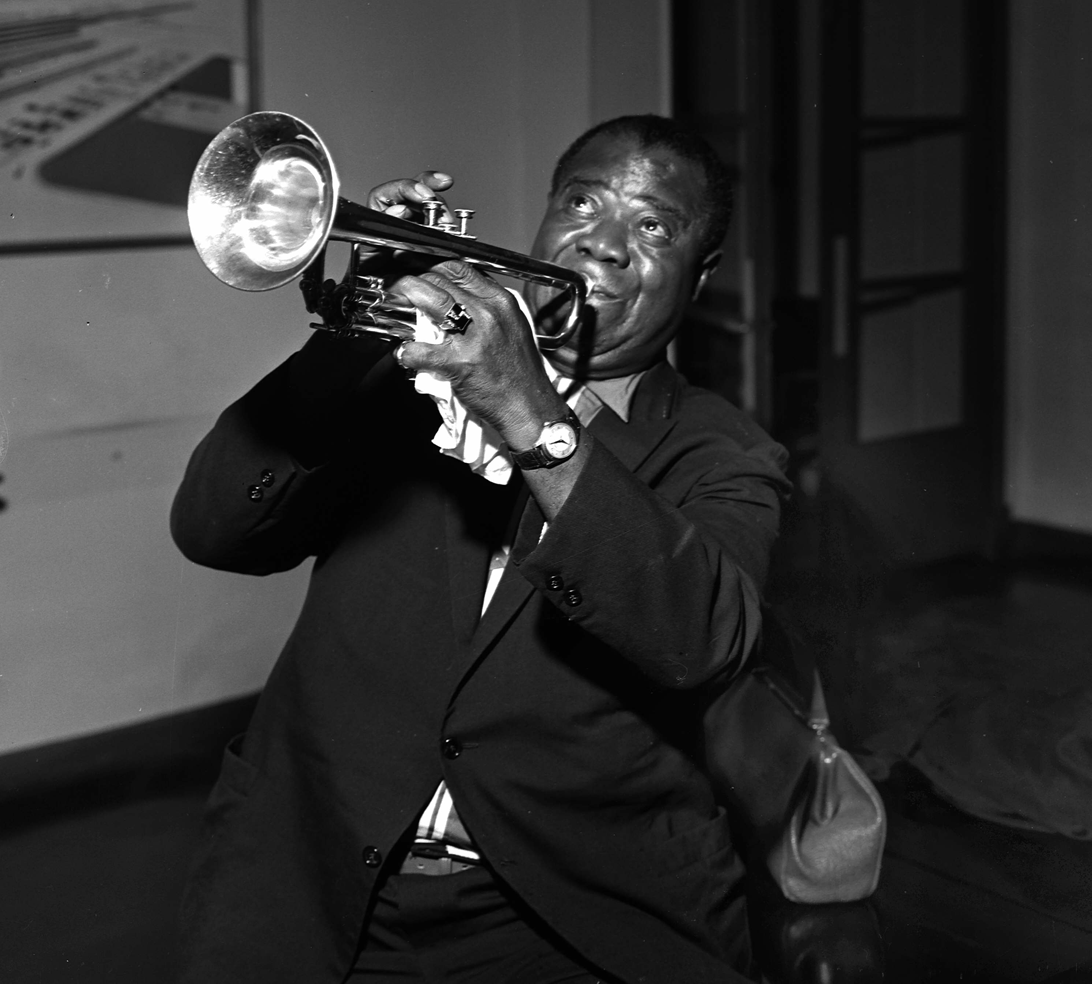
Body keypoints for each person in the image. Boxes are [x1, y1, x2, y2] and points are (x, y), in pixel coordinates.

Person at [170, 114, 790, 983]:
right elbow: (214, 529)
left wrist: (532, 414)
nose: (603, 245)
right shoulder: (403, 385)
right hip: (311, 877)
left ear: (702, 273)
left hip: (559, 918)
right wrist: (349, 338)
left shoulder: (722, 454)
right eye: (584, 201)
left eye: (653, 227)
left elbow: (701, 639)